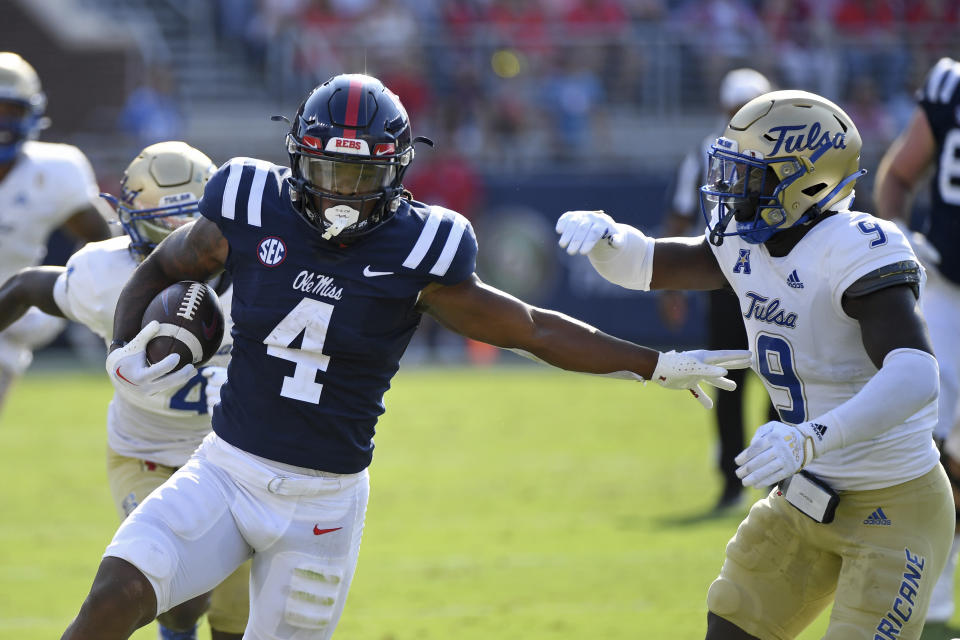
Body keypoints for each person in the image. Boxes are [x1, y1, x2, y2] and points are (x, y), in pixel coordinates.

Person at [59, 74, 752, 640]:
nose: (340, 191)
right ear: (297, 156)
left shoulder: (420, 248)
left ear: (395, 171)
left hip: (321, 505)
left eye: (360, 176)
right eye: (328, 168)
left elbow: (531, 328)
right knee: (114, 594)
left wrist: (651, 362)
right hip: (226, 470)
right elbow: (162, 267)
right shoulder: (249, 200)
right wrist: (127, 349)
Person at [556, 89, 953, 638]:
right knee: (732, 622)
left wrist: (807, 438)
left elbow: (915, 376)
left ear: (807, 179)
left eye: (752, 173)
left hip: (895, 502)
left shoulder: (858, 246)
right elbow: (644, 264)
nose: (731, 187)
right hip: (805, 495)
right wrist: (607, 237)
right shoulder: (747, 240)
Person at [0, 142, 249, 640]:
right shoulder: (107, 274)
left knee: (237, 621)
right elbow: (27, 286)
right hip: (147, 455)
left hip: (237, 461)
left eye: (190, 226)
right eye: (164, 227)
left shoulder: (263, 277)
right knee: (182, 594)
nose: (181, 246)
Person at [658, 67, 775, 511]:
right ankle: (734, 480)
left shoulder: (773, 149)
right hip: (728, 282)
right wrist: (671, 287)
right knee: (730, 383)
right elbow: (680, 218)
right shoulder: (707, 152)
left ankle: (772, 479)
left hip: (771, 283)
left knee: (777, 381)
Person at [873, 55, 960, 625]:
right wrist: (901, 238)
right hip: (948, 291)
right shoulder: (951, 81)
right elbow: (899, 175)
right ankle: (926, 584)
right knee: (917, 447)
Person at [0, 51, 112, 409]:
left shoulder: (55, 171)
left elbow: (105, 240)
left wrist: (71, 294)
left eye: (12, 111)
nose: (2, 123)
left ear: (31, 114)